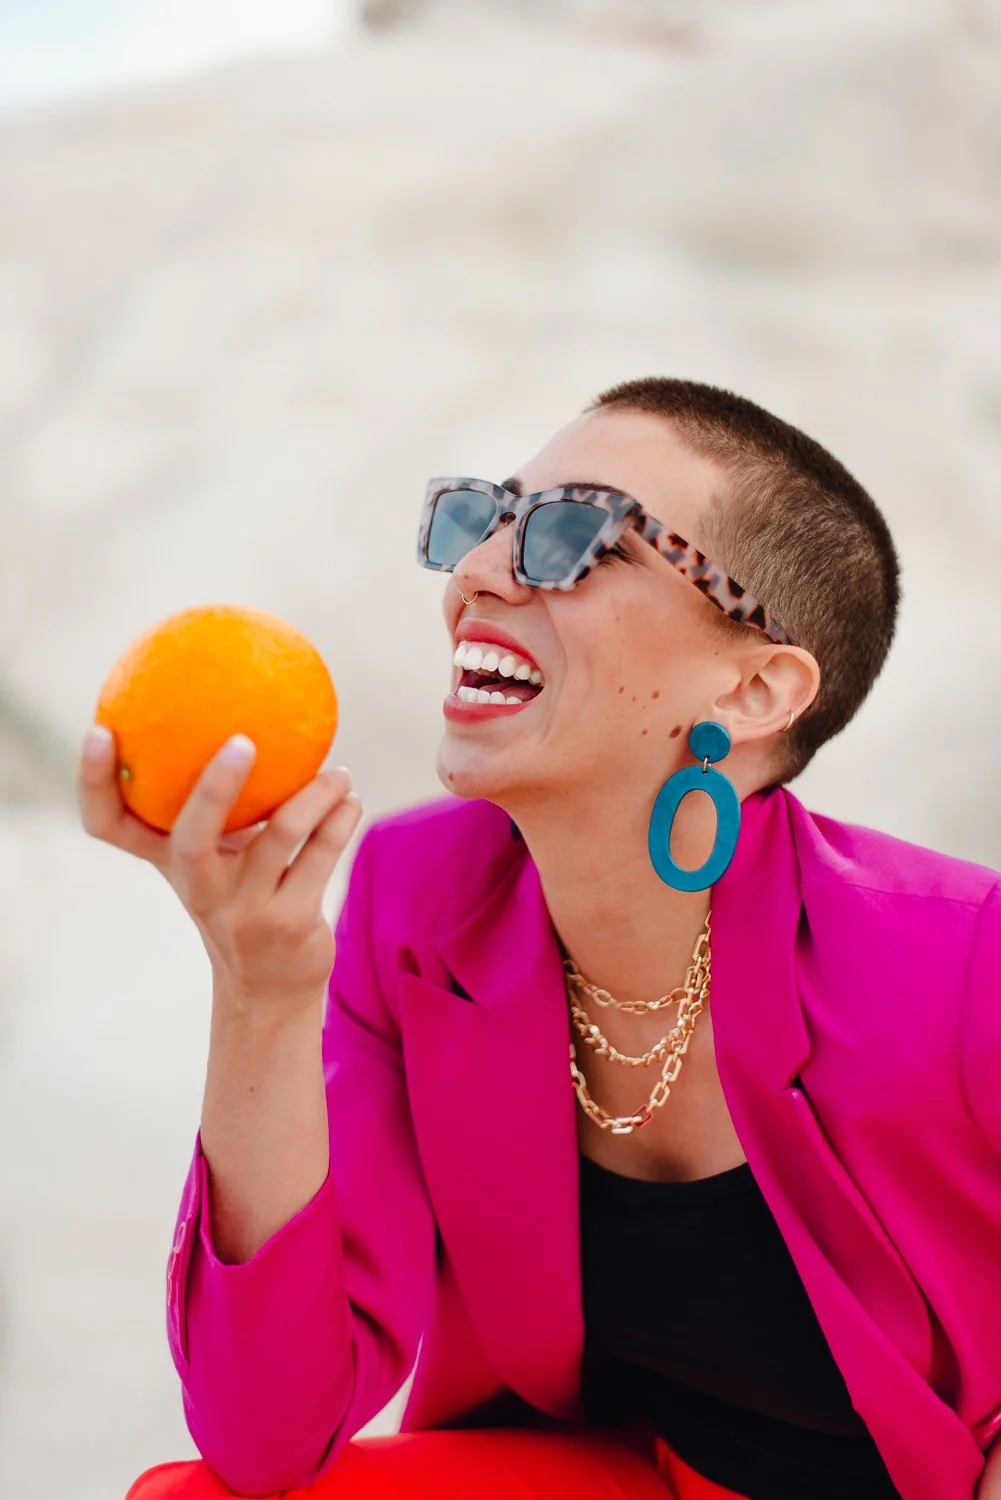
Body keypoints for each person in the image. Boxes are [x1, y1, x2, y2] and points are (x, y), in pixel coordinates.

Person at [79, 379, 1001, 1500]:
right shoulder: (416, 907)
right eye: (484, 519)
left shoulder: (959, 960)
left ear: (754, 684)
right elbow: (264, 1432)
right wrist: (259, 991)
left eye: (577, 536)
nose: (475, 573)